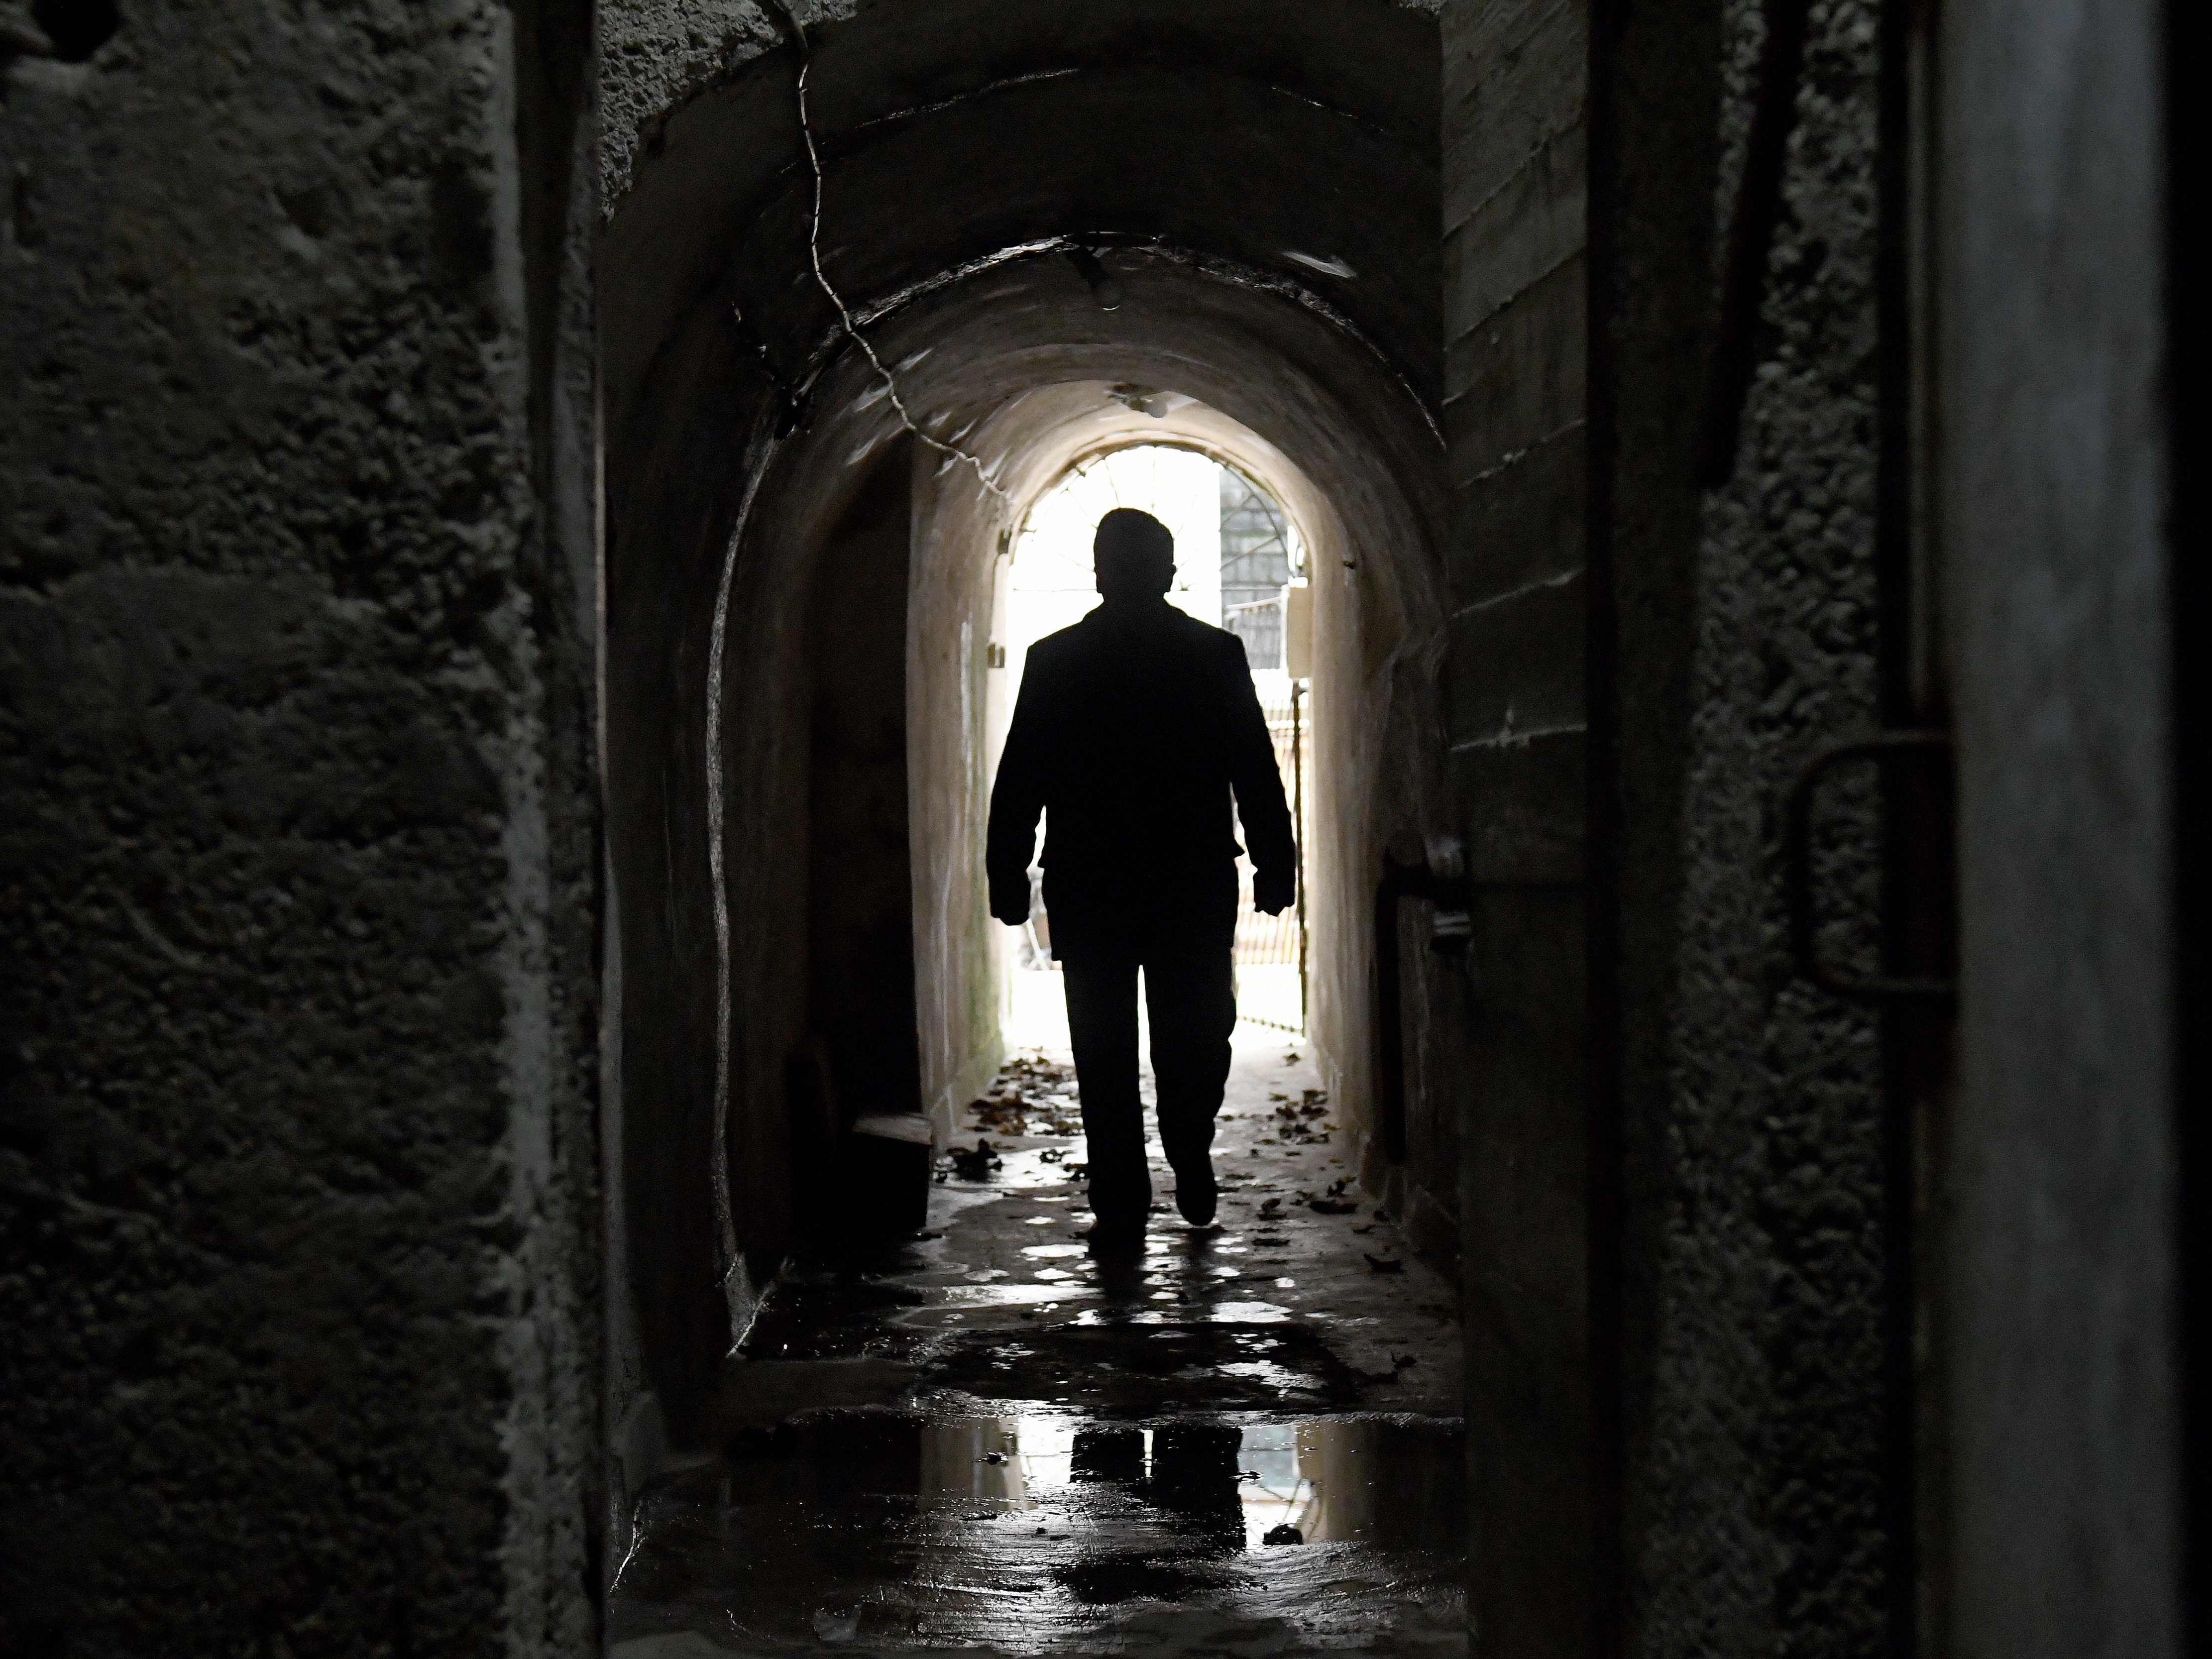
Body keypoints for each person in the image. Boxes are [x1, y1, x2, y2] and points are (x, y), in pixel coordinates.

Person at [987, 506, 1295, 1251]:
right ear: (1170, 570)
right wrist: (1272, 860)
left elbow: (1020, 778)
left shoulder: (1055, 660)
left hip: (1092, 887)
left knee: (1103, 1048)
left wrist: (1009, 873)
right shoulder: (1212, 655)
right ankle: (1187, 1141)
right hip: (1188, 882)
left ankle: (1123, 1198)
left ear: (1102, 570)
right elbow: (1253, 768)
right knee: (1197, 1030)